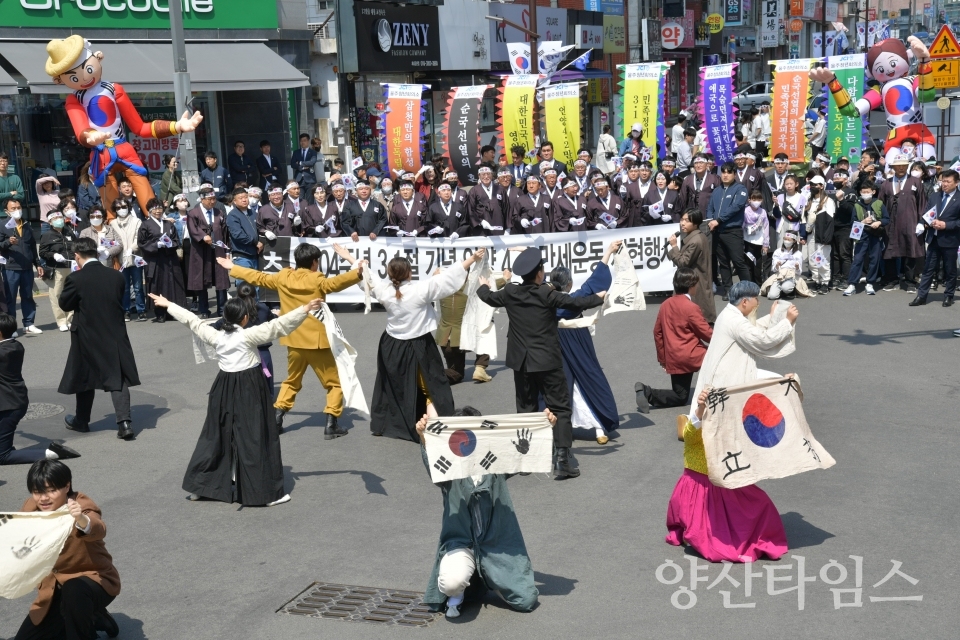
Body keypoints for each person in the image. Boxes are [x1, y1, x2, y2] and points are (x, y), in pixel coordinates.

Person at [151, 292, 320, 506]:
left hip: (223, 386)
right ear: (245, 318)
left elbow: (192, 321)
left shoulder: (215, 335)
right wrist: (305, 309)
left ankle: (202, 486)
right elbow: (279, 326)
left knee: (216, 435)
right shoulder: (249, 335)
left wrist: (168, 304)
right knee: (255, 436)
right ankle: (263, 494)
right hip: (249, 386)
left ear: (225, 317)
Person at [476, 248, 606, 478]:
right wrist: (598, 298)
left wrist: (484, 284)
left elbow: (487, 297)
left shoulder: (510, 292)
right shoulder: (547, 294)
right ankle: (563, 460)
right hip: (547, 359)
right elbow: (575, 303)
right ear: (538, 274)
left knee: (525, 408)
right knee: (560, 406)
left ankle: (526, 458)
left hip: (521, 362)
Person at [220, 244, 364, 436]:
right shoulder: (317, 278)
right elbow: (335, 283)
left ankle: (278, 418)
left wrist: (233, 267)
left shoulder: (283, 276)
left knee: (291, 381)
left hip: (293, 339)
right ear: (314, 262)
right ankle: (331, 422)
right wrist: (357, 273)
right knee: (334, 383)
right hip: (316, 340)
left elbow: (260, 278)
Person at [416, 407, 540, 618]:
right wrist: (423, 436)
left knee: (526, 601)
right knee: (452, 582)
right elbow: (433, 463)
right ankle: (459, 592)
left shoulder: (495, 462)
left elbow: (526, 463)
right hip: (461, 544)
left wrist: (545, 430)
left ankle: (494, 579)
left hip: (496, 547)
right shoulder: (448, 467)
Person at [369, 250, 486, 441]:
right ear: (409, 273)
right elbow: (447, 279)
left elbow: (369, 278)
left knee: (393, 384)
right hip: (419, 345)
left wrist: (351, 259)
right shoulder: (420, 290)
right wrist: (472, 259)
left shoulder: (385, 291)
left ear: (390, 275)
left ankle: (386, 424)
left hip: (391, 346)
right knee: (432, 385)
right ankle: (436, 424)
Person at [666, 387, 788, 563]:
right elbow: (692, 427)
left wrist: (786, 386)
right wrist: (701, 407)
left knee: (761, 503)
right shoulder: (694, 431)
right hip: (700, 488)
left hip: (725, 483)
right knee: (711, 537)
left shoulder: (728, 428)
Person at [13, 460, 121, 639]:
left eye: (51, 490)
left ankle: (86, 618)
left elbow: (97, 528)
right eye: (37, 491)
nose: (43, 498)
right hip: (53, 591)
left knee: (74, 592)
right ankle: (95, 618)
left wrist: (80, 519)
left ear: (66, 486)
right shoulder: (30, 509)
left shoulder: (80, 504)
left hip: (93, 582)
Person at [58, 237, 139, 441]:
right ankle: (125, 423)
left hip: (86, 332)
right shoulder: (116, 276)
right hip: (114, 331)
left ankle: (82, 421)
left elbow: (65, 304)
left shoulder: (76, 278)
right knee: (117, 376)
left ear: (77, 256)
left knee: (85, 377)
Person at [690, 280, 799, 413]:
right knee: (777, 384)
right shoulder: (735, 321)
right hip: (727, 377)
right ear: (745, 302)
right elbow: (762, 340)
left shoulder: (729, 313)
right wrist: (787, 322)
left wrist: (771, 317)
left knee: (773, 382)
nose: (758, 302)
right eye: (756, 299)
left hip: (725, 372)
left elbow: (751, 331)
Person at [552, 242, 620, 445]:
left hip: (555, 345)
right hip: (578, 343)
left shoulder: (547, 301)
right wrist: (608, 252)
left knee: (562, 385)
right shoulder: (575, 299)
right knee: (588, 379)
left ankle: (562, 426)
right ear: (569, 284)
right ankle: (600, 428)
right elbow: (594, 283)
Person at [1, 314, 80, 465]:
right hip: (15, 401)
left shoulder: (3, 353)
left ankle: (52, 453)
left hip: (8, 407)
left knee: (3, 456)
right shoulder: (15, 346)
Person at [636, 268, 713, 412]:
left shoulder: (665, 304)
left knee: (680, 395)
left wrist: (663, 358)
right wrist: (723, 337)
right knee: (717, 361)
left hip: (674, 357)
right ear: (691, 286)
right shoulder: (691, 307)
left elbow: (657, 332)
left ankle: (647, 392)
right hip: (693, 355)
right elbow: (706, 333)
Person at [910, 168, 960, 307]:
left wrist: (946, 225)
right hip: (934, 238)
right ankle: (921, 296)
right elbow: (927, 213)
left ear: (956, 183)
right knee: (928, 269)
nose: (944, 184)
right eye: (943, 181)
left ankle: (948, 295)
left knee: (950, 270)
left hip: (950, 240)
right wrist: (922, 223)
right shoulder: (935, 196)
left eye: (948, 182)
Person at [880, 154, 927, 292]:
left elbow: (922, 203)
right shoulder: (886, 183)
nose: (900, 168)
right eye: (898, 165)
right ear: (893, 167)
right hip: (890, 223)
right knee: (890, 251)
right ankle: (892, 279)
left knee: (909, 251)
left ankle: (910, 281)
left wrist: (921, 221)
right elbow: (880, 204)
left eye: (903, 165)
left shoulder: (915, 182)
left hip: (910, 222)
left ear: (907, 166)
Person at [137, 197, 187, 322]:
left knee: (172, 284)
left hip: (169, 258)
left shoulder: (168, 224)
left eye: (160, 208)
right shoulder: (145, 225)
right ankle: (160, 313)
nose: (158, 211)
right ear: (149, 210)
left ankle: (173, 311)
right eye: (154, 208)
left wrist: (170, 244)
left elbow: (176, 240)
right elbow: (141, 243)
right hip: (154, 259)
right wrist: (155, 245)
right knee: (157, 284)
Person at [706, 162, 751, 299]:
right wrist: (710, 220)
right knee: (723, 262)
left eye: (729, 172)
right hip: (717, 231)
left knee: (738, 261)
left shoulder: (740, 189)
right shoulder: (716, 190)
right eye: (723, 172)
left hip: (733, 231)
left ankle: (747, 290)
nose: (725, 175)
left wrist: (718, 220)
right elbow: (710, 208)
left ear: (734, 174)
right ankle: (728, 290)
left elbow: (735, 207)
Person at [0, 198, 44, 334]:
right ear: (6, 211)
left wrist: (37, 263)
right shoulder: (2, 225)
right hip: (11, 267)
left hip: (26, 267)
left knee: (27, 296)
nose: (17, 210)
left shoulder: (26, 225)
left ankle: (29, 324)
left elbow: (31, 246)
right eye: (13, 208)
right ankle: (11, 327)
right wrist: (8, 242)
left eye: (19, 207)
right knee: (10, 298)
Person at [666, 208, 716, 323]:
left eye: (687, 221)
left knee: (695, 318)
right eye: (682, 219)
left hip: (694, 282)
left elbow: (683, 263)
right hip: (696, 280)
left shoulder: (695, 240)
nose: (682, 223)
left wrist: (674, 247)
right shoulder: (696, 236)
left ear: (696, 223)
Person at [187, 187, 229, 318]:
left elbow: (225, 233)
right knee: (201, 280)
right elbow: (192, 229)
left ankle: (222, 309)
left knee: (221, 279)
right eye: (210, 199)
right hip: (200, 251)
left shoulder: (219, 213)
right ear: (202, 199)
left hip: (218, 250)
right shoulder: (193, 213)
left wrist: (227, 250)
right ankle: (204, 310)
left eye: (214, 199)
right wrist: (203, 236)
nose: (212, 202)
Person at [843, 180, 889, 296]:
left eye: (867, 192)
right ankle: (852, 283)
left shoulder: (879, 204)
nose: (865, 194)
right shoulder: (857, 205)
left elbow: (887, 219)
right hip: (861, 235)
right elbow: (852, 222)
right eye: (863, 192)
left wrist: (878, 222)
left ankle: (870, 283)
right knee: (858, 259)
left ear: (873, 192)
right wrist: (863, 221)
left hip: (875, 235)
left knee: (874, 259)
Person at [38, 207, 79, 331]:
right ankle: (61, 321)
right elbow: (42, 252)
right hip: (57, 268)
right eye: (55, 218)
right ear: (50, 222)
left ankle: (71, 318)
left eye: (60, 217)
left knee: (71, 293)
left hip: (71, 266)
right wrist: (53, 255)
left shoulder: (69, 231)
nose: (58, 220)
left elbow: (75, 246)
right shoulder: (47, 235)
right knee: (56, 295)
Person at [109, 197, 146, 321]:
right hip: (121, 259)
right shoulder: (112, 223)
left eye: (124, 207)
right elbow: (112, 241)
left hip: (135, 257)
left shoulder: (137, 221)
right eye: (118, 208)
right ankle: (126, 310)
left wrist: (132, 248)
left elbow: (138, 237)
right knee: (124, 287)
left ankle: (141, 309)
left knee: (138, 286)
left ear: (129, 207)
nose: (121, 210)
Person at [801, 175, 836, 294]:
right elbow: (804, 219)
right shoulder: (809, 200)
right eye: (811, 184)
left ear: (821, 186)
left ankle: (825, 282)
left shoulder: (828, 201)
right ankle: (816, 280)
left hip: (823, 235)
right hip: (811, 234)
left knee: (822, 259)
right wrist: (805, 231)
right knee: (812, 259)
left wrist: (827, 237)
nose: (812, 187)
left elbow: (830, 221)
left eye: (815, 184)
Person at [224, 187, 262, 284]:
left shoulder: (254, 213)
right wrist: (255, 242)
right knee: (244, 287)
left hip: (255, 255)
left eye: (246, 197)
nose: (244, 199)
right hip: (242, 256)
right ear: (234, 201)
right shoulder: (232, 215)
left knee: (257, 286)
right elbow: (238, 235)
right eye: (240, 198)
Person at [762, 232, 813, 300]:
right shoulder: (778, 251)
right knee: (772, 296)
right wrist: (777, 265)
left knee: (786, 287)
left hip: (791, 275)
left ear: (794, 241)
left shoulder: (798, 254)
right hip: (779, 275)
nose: (786, 241)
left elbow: (799, 272)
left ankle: (790, 289)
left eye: (789, 240)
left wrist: (797, 267)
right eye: (785, 239)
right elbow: (774, 270)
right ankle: (782, 291)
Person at [743, 188, 770, 284]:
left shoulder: (763, 212)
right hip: (748, 240)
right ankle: (749, 283)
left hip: (759, 241)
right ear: (749, 200)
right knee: (748, 264)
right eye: (754, 199)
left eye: (759, 199)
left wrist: (766, 244)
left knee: (758, 264)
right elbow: (742, 226)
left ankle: (758, 283)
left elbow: (766, 227)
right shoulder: (745, 211)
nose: (756, 202)